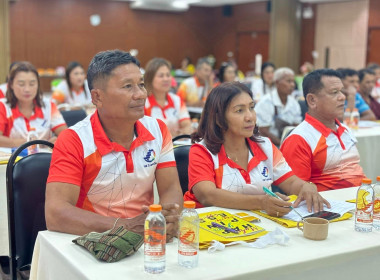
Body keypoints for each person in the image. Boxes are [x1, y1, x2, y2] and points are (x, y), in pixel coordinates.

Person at [45, 50, 183, 240]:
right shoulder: (74, 139)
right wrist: (125, 227)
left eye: (141, 85)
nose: (140, 94)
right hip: (93, 240)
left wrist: (166, 219)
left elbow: (170, 189)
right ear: (97, 97)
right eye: (128, 86)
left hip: (146, 237)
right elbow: (56, 214)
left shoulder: (158, 129)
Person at [183, 82, 329, 216]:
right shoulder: (203, 151)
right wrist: (260, 202)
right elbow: (208, 196)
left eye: (252, 108)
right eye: (239, 111)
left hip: (255, 224)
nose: (250, 117)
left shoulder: (264, 146)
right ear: (218, 118)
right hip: (208, 227)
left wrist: (306, 187)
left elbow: (290, 182)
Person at [280, 69, 365, 191]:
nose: (342, 97)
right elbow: (297, 192)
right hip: (331, 206)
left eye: (341, 91)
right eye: (334, 92)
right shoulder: (299, 139)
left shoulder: (345, 129)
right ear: (312, 100)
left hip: (362, 198)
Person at [0, 62, 67, 148]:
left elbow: (65, 133)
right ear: (11, 85)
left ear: (38, 85)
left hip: (44, 158)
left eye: (32, 84)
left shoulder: (49, 105)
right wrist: (32, 143)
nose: (27, 89)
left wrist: (58, 140)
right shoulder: (3, 106)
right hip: (12, 159)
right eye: (21, 84)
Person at [144, 57, 191, 137]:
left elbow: (187, 125)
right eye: (161, 76)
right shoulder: (144, 103)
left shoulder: (177, 100)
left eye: (168, 75)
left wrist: (181, 133)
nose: (166, 79)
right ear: (150, 79)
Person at [255, 67, 302, 146]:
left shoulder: (294, 103)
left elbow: (297, 127)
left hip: (288, 143)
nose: (292, 85)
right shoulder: (266, 102)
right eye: (288, 81)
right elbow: (263, 131)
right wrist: (282, 144)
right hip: (268, 145)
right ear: (277, 83)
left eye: (293, 81)